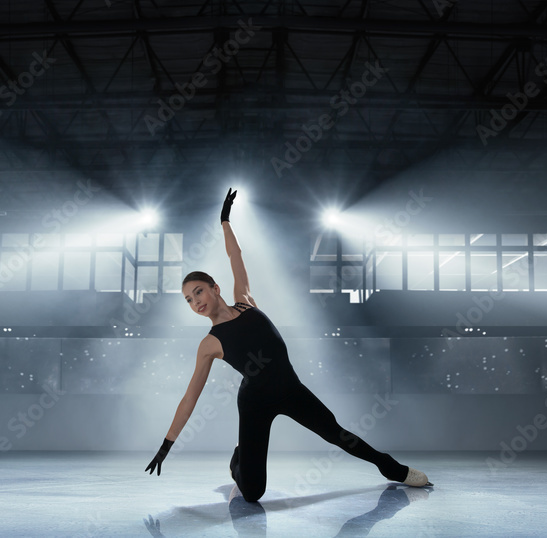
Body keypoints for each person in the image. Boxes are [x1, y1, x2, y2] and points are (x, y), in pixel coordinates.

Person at [146, 189, 431, 502]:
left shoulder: (245, 300)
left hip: (291, 390)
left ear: (215, 288)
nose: (195, 301)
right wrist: (166, 446)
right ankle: (237, 462)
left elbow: (234, 256)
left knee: (339, 435)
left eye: (198, 292)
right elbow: (189, 398)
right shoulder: (209, 344)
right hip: (255, 402)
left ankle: (395, 470)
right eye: (188, 299)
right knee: (252, 494)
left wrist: (225, 221)